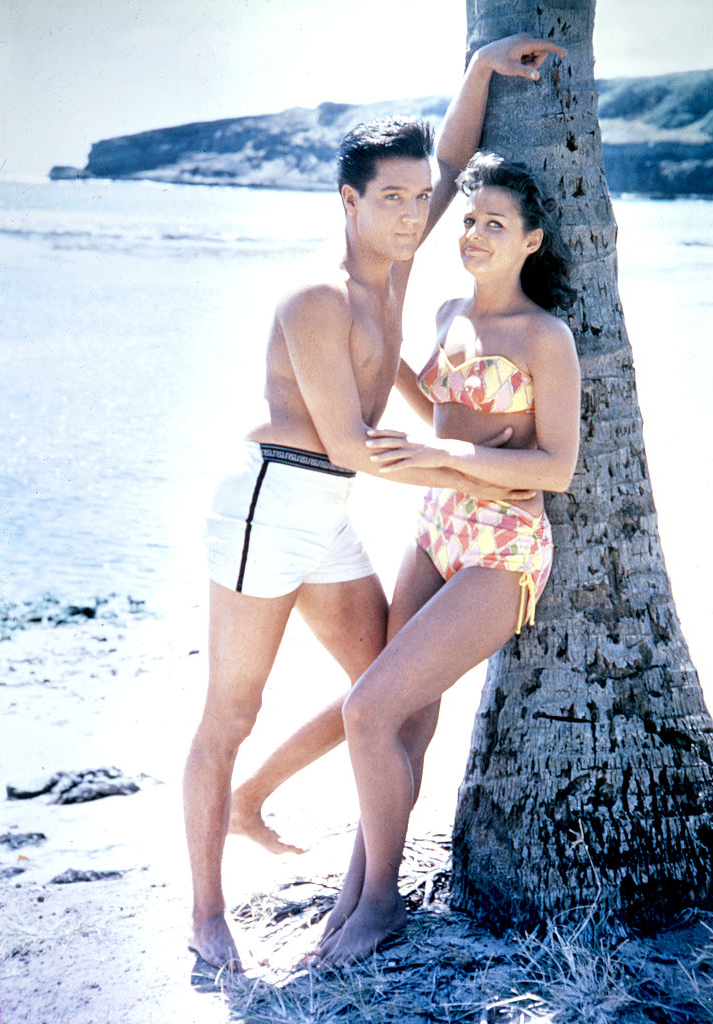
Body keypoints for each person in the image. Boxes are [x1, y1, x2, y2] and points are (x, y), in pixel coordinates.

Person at [184, 36, 566, 971]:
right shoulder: (318, 297)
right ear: (347, 203)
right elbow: (354, 443)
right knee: (232, 711)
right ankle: (205, 913)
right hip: (273, 506)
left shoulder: (399, 272)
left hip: (339, 518)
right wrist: (480, 470)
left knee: (385, 702)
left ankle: (344, 871)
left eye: (416, 203)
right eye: (386, 200)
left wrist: (477, 73)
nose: (412, 214)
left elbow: (441, 162)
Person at [314, 153, 581, 966]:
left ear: (531, 241)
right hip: (436, 526)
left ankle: (383, 902)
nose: (472, 234)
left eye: (493, 224)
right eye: (467, 220)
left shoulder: (545, 336)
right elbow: (435, 408)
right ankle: (359, 886)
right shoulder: (444, 314)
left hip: (501, 549)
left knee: (366, 711)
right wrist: (367, 354)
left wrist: (449, 454)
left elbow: (556, 468)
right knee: (398, 718)